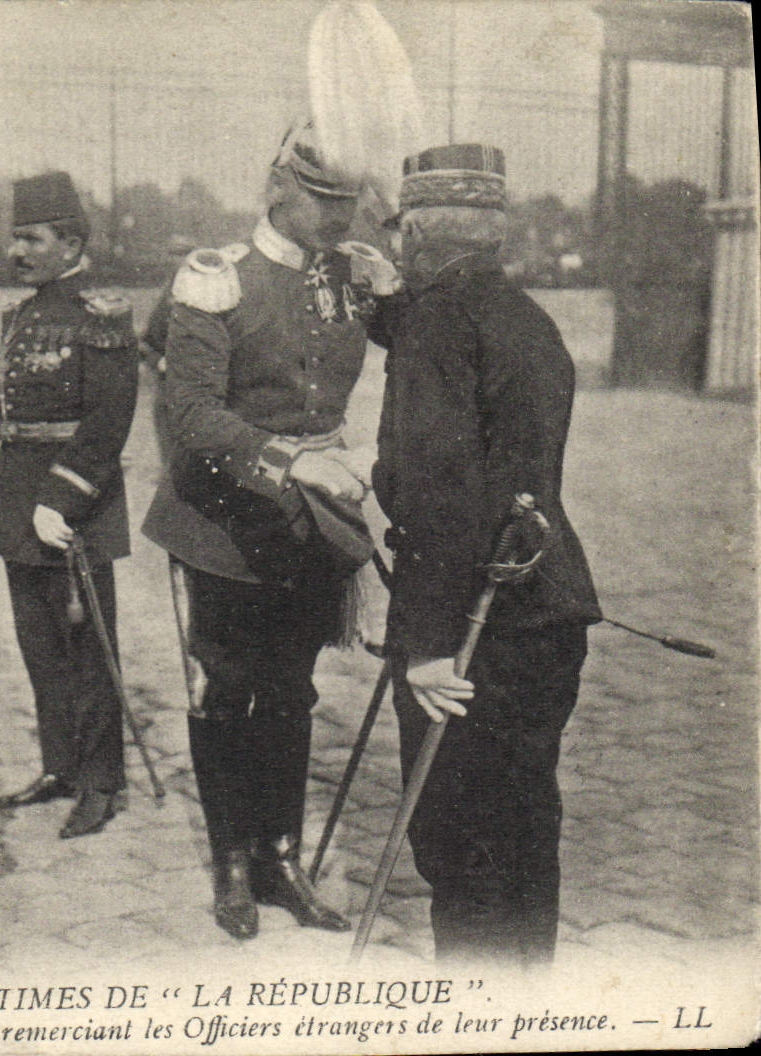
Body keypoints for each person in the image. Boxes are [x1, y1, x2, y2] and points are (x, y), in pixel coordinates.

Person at [369, 144, 600, 967]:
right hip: (546, 616)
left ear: (421, 236)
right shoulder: (520, 316)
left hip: (471, 633)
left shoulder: (435, 326)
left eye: (401, 235)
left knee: (460, 856)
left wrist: (425, 649)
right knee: (522, 842)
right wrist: (385, 312)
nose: (396, 247)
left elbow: (434, 492)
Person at [150, 120, 379, 940]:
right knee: (224, 689)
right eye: (323, 198)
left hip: (305, 527)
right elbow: (192, 414)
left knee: (290, 689)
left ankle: (279, 858)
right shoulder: (215, 279)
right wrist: (291, 460)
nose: (340, 215)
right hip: (221, 521)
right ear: (277, 185)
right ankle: (232, 866)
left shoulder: (349, 280)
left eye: (348, 200)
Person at [0, 171, 139, 840]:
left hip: (74, 505)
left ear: (70, 240)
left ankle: (102, 781)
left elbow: (108, 422)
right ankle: (60, 767)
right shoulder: (22, 313)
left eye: (31, 239)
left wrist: (61, 499)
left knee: (88, 650)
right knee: (39, 647)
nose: (16, 252)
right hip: (21, 504)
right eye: (14, 238)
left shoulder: (99, 314)